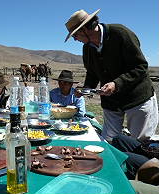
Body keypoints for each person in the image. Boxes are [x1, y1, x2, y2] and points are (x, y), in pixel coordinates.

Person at [64, 9, 158, 142]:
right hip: (111, 102)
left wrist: (116, 84)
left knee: (139, 143)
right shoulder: (87, 48)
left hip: (137, 99)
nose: (75, 39)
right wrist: (86, 88)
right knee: (109, 140)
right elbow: (92, 72)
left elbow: (140, 66)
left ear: (85, 29)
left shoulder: (120, 34)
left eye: (75, 35)